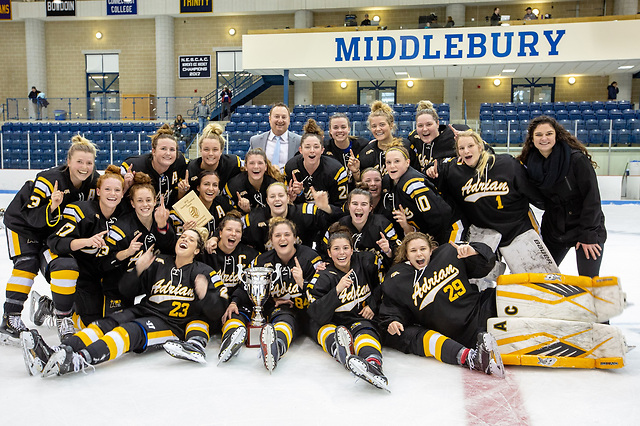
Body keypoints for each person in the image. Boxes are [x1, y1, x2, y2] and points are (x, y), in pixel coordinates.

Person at [22, 228, 228, 376]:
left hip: (171, 324)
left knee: (129, 331)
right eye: (183, 236)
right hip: (144, 310)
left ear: (197, 250)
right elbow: (126, 290)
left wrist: (204, 295)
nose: (184, 239)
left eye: (191, 240)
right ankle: (59, 351)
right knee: (105, 324)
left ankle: (79, 360)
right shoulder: (159, 262)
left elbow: (216, 311)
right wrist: (137, 270)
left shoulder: (204, 272)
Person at [0, 136, 100, 345]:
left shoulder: (93, 182)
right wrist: (52, 207)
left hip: (51, 233)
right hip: (23, 225)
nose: (84, 167)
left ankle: (53, 309)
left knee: (66, 265)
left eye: (89, 163)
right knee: (28, 263)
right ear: (69, 161)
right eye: (79, 162)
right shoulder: (49, 179)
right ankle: (10, 318)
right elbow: (31, 215)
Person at [426, 130, 558, 275]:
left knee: (539, 279)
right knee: (479, 284)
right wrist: (431, 170)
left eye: (470, 146)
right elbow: (433, 172)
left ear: (480, 147)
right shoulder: (453, 171)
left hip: (518, 228)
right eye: (461, 148)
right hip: (483, 232)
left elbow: (532, 192)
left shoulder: (507, 163)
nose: (466, 151)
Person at [379, 232, 505, 377]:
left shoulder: (449, 253)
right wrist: (393, 320)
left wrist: (475, 252)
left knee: (511, 293)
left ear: (431, 250)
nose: (419, 254)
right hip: (460, 336)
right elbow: (393, 307)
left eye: (423, 249)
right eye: (413, 251)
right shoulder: (398, 278)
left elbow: (486, 264)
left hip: (481, 310)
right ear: (407, 255)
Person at [218, 217, 321, 372]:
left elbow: (322, 292)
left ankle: (275, 347)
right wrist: (234, 302)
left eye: (287, 234)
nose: (282, 239)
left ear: (295, 238)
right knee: (238, 311)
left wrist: (302, 283)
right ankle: (230, 340)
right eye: (277, 235)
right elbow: (246, 285)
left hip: (300, 312)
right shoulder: (261, 260)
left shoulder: (311, 258)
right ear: (271, 240)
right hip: (271, 308)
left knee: (285, 319)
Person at [44, 166, 132, 341]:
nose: (112, 194)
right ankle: (61, 313)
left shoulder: (124, 215)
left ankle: (49, 305)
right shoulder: (80, 210)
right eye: (107, 189)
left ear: (123, 194)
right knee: (66, 267)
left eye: (117, 190)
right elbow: (55, 243)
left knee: (98, 321)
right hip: (71, 268)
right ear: (98, 191)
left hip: (97, 271)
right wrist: (87, 241)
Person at [518, 116, 606, 278]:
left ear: (556, 135)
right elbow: (541, 200)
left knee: (589, 279)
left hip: (586, 225)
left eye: (549, 134)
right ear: (532, 138)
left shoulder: (576, 159)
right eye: (538, 135)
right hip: (555, 229)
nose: (544, 138)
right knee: (540, 275)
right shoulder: (530, 164)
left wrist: (588, 235)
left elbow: (592, 199)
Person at [306, 225, 388, 390]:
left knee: (366, 330)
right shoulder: (323, 275)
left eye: (345, 248)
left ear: (352, 250)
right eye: (336, 249)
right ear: (329, 253)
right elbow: (315, 312)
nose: (341, 253)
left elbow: (385, 283)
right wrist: (337, 290)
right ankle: (340, 351)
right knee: (321, 328)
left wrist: (372, 305)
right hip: (331, 321)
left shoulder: (366, 261)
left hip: (358, 318)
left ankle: (373, 365)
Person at [384, 142, 457, 244]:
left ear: (407, 162)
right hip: (428, 234)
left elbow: (438, 216)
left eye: (397, 161)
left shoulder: (412, 183)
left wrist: (431, 243)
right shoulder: (392, 182)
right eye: (388, 162)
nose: (392, 166)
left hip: (451, 228)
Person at [318, 186, 399, 269]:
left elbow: (398, 254)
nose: (359, 208)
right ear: (349, 206)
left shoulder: (383, 224)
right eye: (355, 203)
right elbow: (324, 252)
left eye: (364, 204)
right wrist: (324, 264)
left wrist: (388, 251)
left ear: (370, 208)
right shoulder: (339, 225)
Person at [285, 119, 349, 217]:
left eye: (316, 147)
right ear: (300, 150)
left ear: (322, 150)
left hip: (328, 220)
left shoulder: (336, 170)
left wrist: (326, 207)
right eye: (307, 147)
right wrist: (297, 195)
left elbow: (343, 209)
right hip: (300, 219)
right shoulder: (291, 167)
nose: (312, 151)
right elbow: (287, 207)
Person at [241, 182, 329, 252]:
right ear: (267, 201)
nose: (277, 199)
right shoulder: (254, 218)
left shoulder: (304, 212)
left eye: (281, 195)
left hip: (302, 261)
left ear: (287, 198)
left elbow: (331, 220)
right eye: (272, 196)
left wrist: (326, 208)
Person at [121, 124, 188, 209]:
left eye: (172, 150)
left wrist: (181, 192)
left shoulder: (179, 162)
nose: (168, 153)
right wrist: (125, 187)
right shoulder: (135, 166)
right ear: (153, 151)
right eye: (163, 149)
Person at [349, 101, 420, 181]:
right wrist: (356, 172)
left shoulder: (406, 145)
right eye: (374, 126)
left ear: (391, 124)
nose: (378, 129)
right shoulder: (366, 153)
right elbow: (362, 183)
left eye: (382, 125)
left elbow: (417, 173)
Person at [200, 212, 258, 308]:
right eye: (229, 230)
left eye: (238, 231)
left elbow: (246, 286)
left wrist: (235, 302)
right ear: (220, 233)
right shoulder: (206, 253)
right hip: (209, 305)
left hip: (237, 306)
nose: (233, 234)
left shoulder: (251, 255)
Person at [172, 171, 235, 243]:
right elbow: (173, 242)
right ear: (198, 187)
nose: (211, 188)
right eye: (206, 184)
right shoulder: (184, 208)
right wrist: (186, 233)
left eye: (215, 185)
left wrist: (216, 237)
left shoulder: (223, 203)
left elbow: (236, 218)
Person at [408, 100, 470, 173]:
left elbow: (482, 148)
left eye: (429, 124)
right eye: (420, 125)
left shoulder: (453, 134)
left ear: (437, 124)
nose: (424, 129)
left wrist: (467, 141)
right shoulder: (413, 138)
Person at [183, 122, 242, 195]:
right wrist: (181, 192)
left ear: (221, 151)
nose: (210, 154)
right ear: (200, 150)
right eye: (206, 149)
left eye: (215, 150)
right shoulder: (191, 169)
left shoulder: (233, 163)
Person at [223, 148, 282, 213]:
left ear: (265, 167)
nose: (256, 166)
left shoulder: (274, 185)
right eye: (252, 163)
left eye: (260, 163)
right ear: (246, 167)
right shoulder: (234, 186)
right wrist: (244, 210)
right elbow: (230, 214)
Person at [249, 102, 302, 170]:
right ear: (270, 119)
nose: (280, 120)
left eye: (284, 117)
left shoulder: (299, 141)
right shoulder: (256, 141)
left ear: (289, 120)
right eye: (276, 116)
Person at [323, 113, 369, 188]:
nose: (340, 130)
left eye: (343, 127)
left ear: (349, 129)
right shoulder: (324, 148)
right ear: (330, 130)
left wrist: (356, 172)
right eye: (335, 128)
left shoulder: (363, 145)